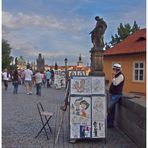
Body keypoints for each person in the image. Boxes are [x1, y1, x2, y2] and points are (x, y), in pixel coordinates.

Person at [107, 63, 125, 128]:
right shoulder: (116, 75)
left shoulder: (120, 76)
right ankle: (110, 123)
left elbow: (115, 83)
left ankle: (109, 122)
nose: (114, 70)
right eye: (113, 69)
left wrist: (113, 76)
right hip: (113, 94)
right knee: (111, 109)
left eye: (115, 69)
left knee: (109, 107)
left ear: (118, 70)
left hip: (117, 95)